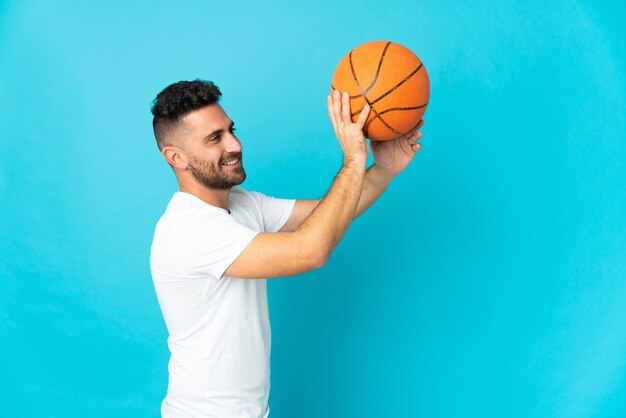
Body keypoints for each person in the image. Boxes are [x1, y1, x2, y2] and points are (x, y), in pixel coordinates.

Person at [149, 79, 423, 417]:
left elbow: (329, 213)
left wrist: (383, 170)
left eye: (231, 130)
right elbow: (310, 249)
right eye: (214, 138)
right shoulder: (188, 229)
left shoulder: (244, 205)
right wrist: (353, 159)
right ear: (175, 157)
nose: (235, 144)